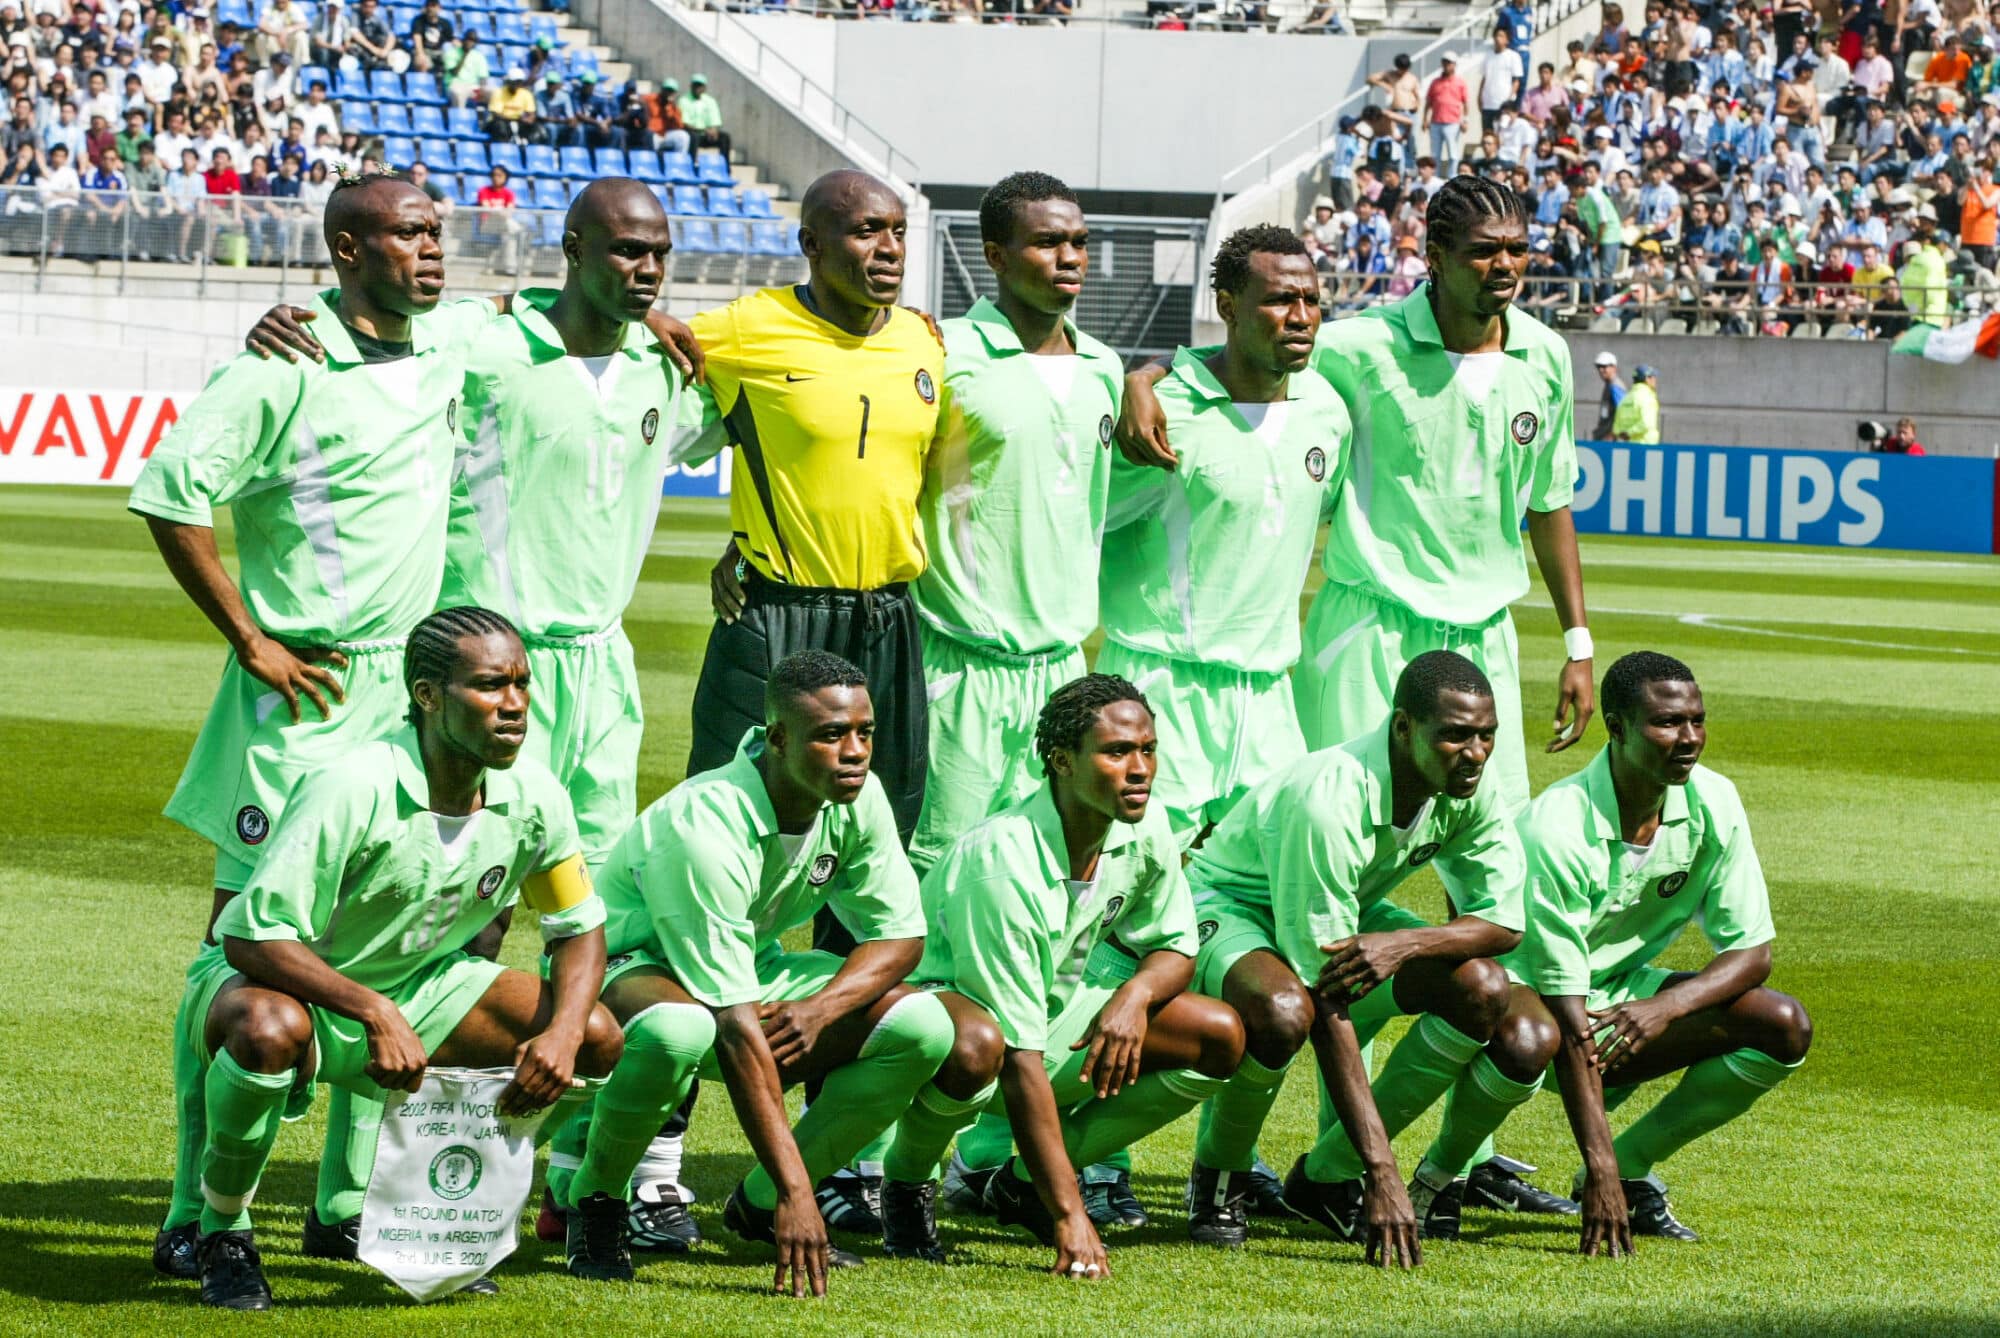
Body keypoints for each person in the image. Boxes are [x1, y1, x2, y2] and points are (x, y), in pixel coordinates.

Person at [132, 175, 512, 1282]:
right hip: (295, 706)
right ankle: (190, 1209)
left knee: (393, 938)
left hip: (404, 702)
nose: (433, 250)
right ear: (348, 248)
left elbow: (571, 310)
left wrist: (671, 320)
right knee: (236, 956)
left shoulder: (451, 342)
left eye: (440, 231)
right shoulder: (279, 364)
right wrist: (252, 638)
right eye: (408, 232)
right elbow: (171, 492)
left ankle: (344, 1203)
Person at [166, 604, 624, 1309]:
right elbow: (249, 936)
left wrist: (560, 1034)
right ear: (427, 695)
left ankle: (436, 1215)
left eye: (522, 685)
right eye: (489, 685)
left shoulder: (535, 794)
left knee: (592, 1038)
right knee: (266, 1030)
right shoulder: (351, 786)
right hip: (284, 987)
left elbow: (579, 928)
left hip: (424, 991)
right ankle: (223, 1234)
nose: (513, 705)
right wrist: (371, 1008)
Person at [1120, 175, 1595, 822]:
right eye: (1485, 250)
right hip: (1371, 628)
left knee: (1494, 843)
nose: (1505, 265)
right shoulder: (1359, 346)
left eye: (1517, 249)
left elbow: (1549, 501)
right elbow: (1248, 352)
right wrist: (1147, 374)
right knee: (1337, 824)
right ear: (1434, 256)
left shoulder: (1547, 356)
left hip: (1485, 633)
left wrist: (1578, 644)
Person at [438, 180, 711, 1256]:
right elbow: (379, 329)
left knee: (586, 917)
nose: (645, 270)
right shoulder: (486, 346)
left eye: (660, 254)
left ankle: (561, 1166)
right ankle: (396, 1173)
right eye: (625, 251)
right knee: (464, 917)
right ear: (571, 249)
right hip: (495, 669)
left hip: (602, 673)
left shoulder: (663, 367)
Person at [553, 651, 956, 1288]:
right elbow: (733, 1026)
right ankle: (593, 1203)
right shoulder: (703, 824)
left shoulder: (859, 793)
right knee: (678, 1030)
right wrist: (806, 1190)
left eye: (865, 733)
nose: (855, 752)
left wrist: (821, 1010)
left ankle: (762, 1205)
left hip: (748, 969)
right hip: (632, 968)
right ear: (777, 738)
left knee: (923, 1026)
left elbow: (901, 936)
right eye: (831, 735)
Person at [871, 672, 1246, 1273]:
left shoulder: (1144, 822)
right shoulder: (1003, 864)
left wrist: (1134, 998)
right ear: (1061, 760)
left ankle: (1023, 1186)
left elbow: (1176, 946)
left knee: (1219, 1035)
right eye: (1117, 752)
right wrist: (1072, 1217)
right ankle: (907, 1187)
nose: (1140, 768)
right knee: (975, 1046)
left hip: (1050, 1015)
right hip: (955, 1033)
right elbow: (1020, 1058)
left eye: (1147, 749)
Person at [1179, 652, 1535, 1260]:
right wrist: (1384, 1169)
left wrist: (1406, 943)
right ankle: (1220, 1174)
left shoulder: (1472, 782)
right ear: (1403, 727)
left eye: (1486, 735)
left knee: (1483, 988)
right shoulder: (1330, 799)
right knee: (1284, 1009)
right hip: (1230, 904)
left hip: (1349, 906)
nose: (1474, 752)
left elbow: (1503, 920)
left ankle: (1323, 1179)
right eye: (1454, 735)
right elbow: (1326, 993)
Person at [1486, 652, 1812, 1246]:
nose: (1689, 738)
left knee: (1782, 1024)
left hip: (1621, 1005)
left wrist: (1661, 1009)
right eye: (1667, 723)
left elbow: (1752, 954)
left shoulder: (1716, 800)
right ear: (1616, 727)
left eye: (1697, 720)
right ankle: (1444, 1172)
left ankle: (1632, 1169)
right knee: (1526, 1035)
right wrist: (1597, 1159)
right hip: (1533, 1006)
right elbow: (1561, 996)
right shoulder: (1555, 825)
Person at [1098, 223, 1347, 856]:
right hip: (1162, 686)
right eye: (1279, 300)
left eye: (1312, 300)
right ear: (1228, 307)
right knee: (1137, 891)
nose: (1301, 316)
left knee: (1266, 886)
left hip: (1267, 697)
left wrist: (1143, 372)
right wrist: (1143, 379)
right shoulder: (1164, 413)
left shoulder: (1326, 410)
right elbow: (1081, 523)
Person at [906, 171, 1121, 884]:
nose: (1070, 258)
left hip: (1063, 669)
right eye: (1048, 243)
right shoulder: (943, 352)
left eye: (1080, 243)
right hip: (965, 667)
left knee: (1046, 870)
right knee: (942, 873)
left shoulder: (1106, 368)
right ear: (996, 257)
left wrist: (1146, 377)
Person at [1421, 52, 1469, 174]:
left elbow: (1466, 103)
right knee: (1435, 154)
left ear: (1454, 65)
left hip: (1453, 123)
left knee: (1453, 154)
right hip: (1436, 122)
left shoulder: (1460, 82)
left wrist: (1465, 120)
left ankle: (1451, 177)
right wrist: (1425, 119)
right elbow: (1429, 102)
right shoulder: (1435, 82)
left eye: (1449, 63)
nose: (1446, 65)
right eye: (1444, 62)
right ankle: (1435, 177)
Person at [680, 71, 728, 159]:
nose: (697, 88)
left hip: (706, 135)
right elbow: (685, 124)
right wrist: (704, 130)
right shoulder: (683, 100)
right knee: (694, 136)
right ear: (691, 86)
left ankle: (725, 167)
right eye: (695, 85)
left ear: (704, 88)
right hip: (693, 133)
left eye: (700, 85)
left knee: (724, 137)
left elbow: (714, 120)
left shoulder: (710, 101)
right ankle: (692, 163)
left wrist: (713, 130)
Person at [1611, 362, 1660, 442]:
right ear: (1647, 379)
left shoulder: (1625, 398)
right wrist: (1629, 433)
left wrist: (1625, 434)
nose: (1655, 380)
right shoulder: (1648, 397)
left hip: (1627, 447)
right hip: (1645, 448)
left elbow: (1616, 428)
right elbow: (1647, 423)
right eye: (1653, 377)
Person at [1591, 349, 1627, 439]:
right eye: (1598, 366)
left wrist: (1613, 434)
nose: (1601, 370)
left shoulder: (1615, 386)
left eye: (1604, 366)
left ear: (1614, 367)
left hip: (1609, 438)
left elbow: (1623, 412)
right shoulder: (1609, 384)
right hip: (1604, 434)